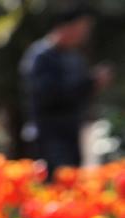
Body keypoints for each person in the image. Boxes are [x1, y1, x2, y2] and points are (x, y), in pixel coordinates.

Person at [20, 5, 112, 175]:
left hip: (71, 134)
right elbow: (48, 96)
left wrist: (92, 85)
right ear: (65, 26)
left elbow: (78, 95)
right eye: (81, 28)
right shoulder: (41, 56)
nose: (84, 34)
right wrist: (89, 83)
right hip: (49, 136)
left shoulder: (73, 57)